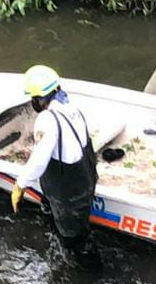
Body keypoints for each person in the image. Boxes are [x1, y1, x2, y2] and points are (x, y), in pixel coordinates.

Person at [11, 65, 99, 257]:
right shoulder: (73, 109)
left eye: (33, 98)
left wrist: (20, 185)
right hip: (85, 183)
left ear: (39, 98)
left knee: (74, 241)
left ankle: (84, 278)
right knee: (81, 229)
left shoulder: (47, 119)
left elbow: (39, 160)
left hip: (67, 194)